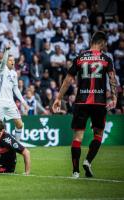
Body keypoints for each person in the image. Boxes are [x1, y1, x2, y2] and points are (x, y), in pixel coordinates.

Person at [52, 31, 118, 178]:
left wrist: (58, 98)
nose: (105, 47)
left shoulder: (80, 58)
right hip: (99, 102)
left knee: (77, 137)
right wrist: (114, 97)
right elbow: (113, 80)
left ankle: (75, 171)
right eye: (105, 45)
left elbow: (68, 80)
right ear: (101, 43)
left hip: (81, 101)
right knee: (98, 134)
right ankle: (88, 161)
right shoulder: (106, 59)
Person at [0, 44, 29, 142]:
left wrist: (23, 102)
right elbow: (3, 62)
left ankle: (16, 145)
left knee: (20, 124)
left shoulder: (14, 73)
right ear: (6, 61)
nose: (13, 62)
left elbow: (15, 89)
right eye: (10, 60)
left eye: (14, 60)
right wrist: (6, 50)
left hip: (10, 102)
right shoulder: (2, 69)